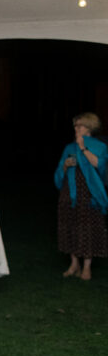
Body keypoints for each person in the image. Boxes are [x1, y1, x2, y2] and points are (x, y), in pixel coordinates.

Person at [55, 112, 107, 281]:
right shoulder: (69, 148)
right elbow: (59, 173)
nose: (76, 128)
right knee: (70, 224)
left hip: (88, 193)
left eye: (80, 125)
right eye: (75, 125)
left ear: (89, 128)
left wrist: (83, 148)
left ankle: (86, 267)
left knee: (87, 227)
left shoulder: (100, 147)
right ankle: (74, 264)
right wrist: (65, 166)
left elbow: (99, 165)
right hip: (70, 192)